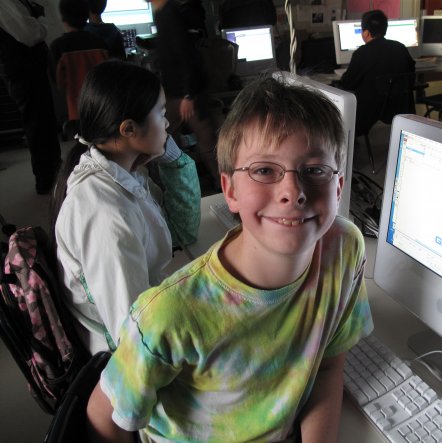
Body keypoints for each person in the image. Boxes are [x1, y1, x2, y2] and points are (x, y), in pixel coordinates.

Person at [86, 76, 374, 443]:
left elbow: (329, 365)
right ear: (230, 190)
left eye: (315, 169)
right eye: (264, 170)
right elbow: (104, 417)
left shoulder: (343, 249)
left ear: (338, 186)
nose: (292, 191)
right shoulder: (169, 314)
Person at [51, 60, 201, 355]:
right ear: (128, 128)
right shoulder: (105, 213)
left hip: (150, 310)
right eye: (161, 113)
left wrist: (172, 159)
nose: (167, 123)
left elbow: (181, 231)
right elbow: (132, 333)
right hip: (123, 356)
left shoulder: (126, 173)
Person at [148, 0, 221, 189]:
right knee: (171, 140)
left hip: (185, 93)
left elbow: (185, 56)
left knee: (204, 142)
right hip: (177, 92)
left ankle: (222, 184)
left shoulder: (170, 13)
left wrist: (188, 95)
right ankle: (184, 184)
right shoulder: (163, 13)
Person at [0, 0, 62, 194]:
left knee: (43, 120)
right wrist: (41, 19)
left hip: (28, 69)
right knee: (37, 122)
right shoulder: (6, 2)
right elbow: (30, 34)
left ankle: (52, 171)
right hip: (23, 71)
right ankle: (45, 178)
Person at [340, 9, 416, 137]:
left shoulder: (362, 53)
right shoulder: (400, 48)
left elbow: (348, 84)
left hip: (369, 114)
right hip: (399, 108)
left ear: (366, 33)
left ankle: (350, 142)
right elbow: (411, 76)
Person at [49, 0, 110, 122]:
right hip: (101, 107)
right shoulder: (100, 44)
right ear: (87, 16)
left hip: (75, 110)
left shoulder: (58, 47)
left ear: (63, 19)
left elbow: (58, 83)